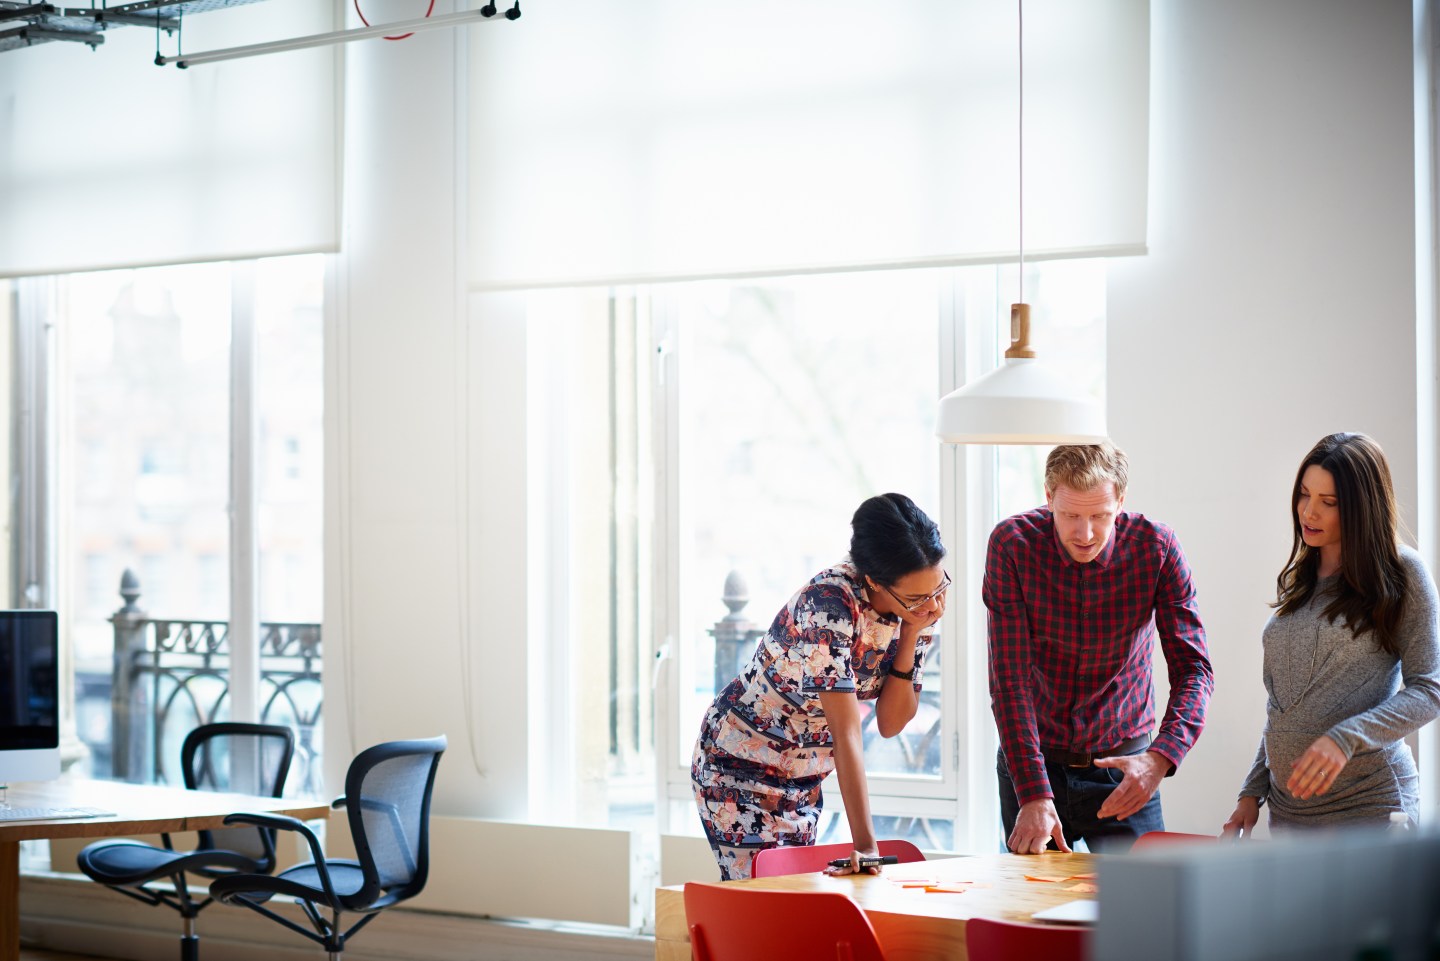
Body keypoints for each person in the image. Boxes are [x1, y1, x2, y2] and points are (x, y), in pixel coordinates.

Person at [691, 493, 947, 880]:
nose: (933, 606)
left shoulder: (916, 608)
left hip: (803, 775)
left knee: (793, 900)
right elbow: (847, 733)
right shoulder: (828, 604)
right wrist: (866, 847)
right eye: (917, 598)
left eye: (938, 588)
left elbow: (891, 723)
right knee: (768, 901)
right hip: (740, 766)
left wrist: (910, 633)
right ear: (875, 581)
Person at [985, 441, 1213, 854]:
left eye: (1100, 516)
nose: (1085, 534)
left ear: (1121, 502)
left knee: (1144, 894)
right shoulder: (1012, 545)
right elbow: (1009, 682)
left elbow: (1194, 670)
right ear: (1049, 497)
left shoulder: (1158, 549)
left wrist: (1160, 757)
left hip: (1125, 769)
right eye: (1070, 515)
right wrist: (1033, 792)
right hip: (1034, 765)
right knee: (1030, 895)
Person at [1221, 432, 1440, 836]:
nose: (1309, 512)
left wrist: (1345, 738)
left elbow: (1430, 690)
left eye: (1329, 502)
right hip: (1290, 814)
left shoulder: (1403, 573)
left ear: (1362, 507)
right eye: (1304, 495)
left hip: (1372, 804)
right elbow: (1286, 708)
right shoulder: (1301, 579)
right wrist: (1252, 790)